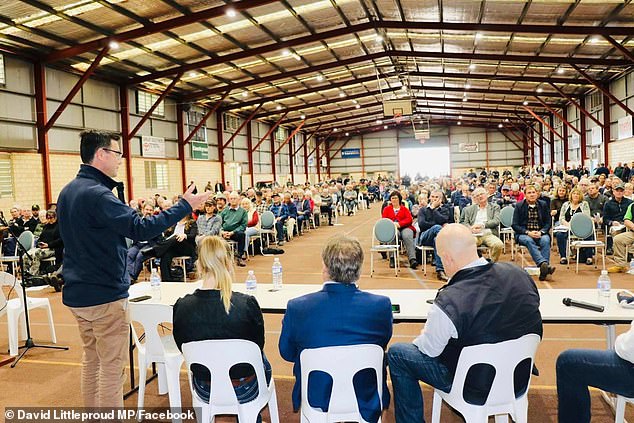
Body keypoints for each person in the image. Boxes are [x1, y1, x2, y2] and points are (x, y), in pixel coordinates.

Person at [57, 130, 208, 408]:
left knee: (92, 360)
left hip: (78, 291)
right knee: (112, 367)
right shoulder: (98, 194)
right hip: (103, 294)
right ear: (101, 154)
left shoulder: (68, 191)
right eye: (116, 154)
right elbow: (141, 227)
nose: (119, 160)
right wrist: (184, 206)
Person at [387, 224, 543, 423]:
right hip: (518, 378)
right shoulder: (519, 274)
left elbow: (428, 350)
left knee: (399, 353)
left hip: (473, 385)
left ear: (448, 258)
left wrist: (427, 331)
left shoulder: (448, 300)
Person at [279, 235, 393, 423]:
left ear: (325, 267)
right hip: (365, 393)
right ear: (359, 269)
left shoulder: (298, 307)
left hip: (316, 394)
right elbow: (382, 343)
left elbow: (287, 352)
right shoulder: (381, 306)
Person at [172, 236, 270, 422]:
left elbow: (181, 346)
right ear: (228, 263)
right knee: (262, 359)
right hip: (244, 386)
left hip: (204, 386)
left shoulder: (181, 306)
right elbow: (258, 346)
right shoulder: (246, 304)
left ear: (199, 265)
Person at [512, 185, 555, 281]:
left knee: (546, 240)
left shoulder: (543, 205)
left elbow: (548, 222)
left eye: (533, 192)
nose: (532, 195)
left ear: (537, 194)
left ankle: (543, 269)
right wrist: (528, 232)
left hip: (540, 232)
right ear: (525, 195)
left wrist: (542, 232)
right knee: (528, 240)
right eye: (529, 193)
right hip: (524, 234)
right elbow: (514, 225)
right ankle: (544, 265)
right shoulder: (519, 206)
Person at [459, 187, 503, 262]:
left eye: (481, 194)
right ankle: (473, 264)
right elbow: (464, 222)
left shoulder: (495, 207)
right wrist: (470, 229)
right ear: (475, 199)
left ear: (486, 195)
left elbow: (496, 221)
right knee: (467, 244)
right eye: (477, 195)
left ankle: (492, 264)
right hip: (474, 234)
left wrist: (482, 225)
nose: (480, 196)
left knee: (498, 245)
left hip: (488, 233)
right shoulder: (469, 209)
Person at [417, 189, 452, 280]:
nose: (434, 199)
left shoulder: (445, 209)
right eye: (432, 197)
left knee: (437, 240)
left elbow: (444, 220)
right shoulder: (423, 210)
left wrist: (434, 210)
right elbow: (422, 225)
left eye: (437, 197)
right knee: (437, 227)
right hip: (425, 237)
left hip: (438, 238)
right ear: (429, 197)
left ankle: (440, 271)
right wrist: (436, 223)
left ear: (441, 199)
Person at [555, 188, 593, 265]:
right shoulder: (566, 204)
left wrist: (576, 225)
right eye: (574, 193)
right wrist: (567, 224)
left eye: (578, 194)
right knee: (559, 234)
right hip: (567, 226)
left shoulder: (584, 204)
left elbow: (586, 217)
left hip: (580, 226)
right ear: (571, 195)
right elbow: (561, 218)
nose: (576, 195)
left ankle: (589, 257)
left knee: (589, 233)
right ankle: (563, 257)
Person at [382, 190, 418, 269]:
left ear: (399, 199)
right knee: (393, 234)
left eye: (396, 198)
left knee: (407, 235)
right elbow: (384, 220)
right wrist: (393, 224)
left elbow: (409, 219)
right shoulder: (386, 209)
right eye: (392, 198)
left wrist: (399, 224)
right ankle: (392, 258)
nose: (394, 200)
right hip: (392, 228)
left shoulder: (404, 209)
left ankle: (412, 259)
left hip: (405, 227)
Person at [220, 192, 248, 266]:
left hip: (235, 233)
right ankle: (220, 259)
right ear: (229, 200)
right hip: (223, 233)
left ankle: (239, 257)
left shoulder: (243, 211)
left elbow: (243, 225)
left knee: (242, 234)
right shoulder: (225, 211)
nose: (232, 200)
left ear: (238, 200)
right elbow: (218, 222)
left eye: (234, 198)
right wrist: (222, 231)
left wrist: (233, 232)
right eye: (231, 199)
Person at [608, 201, 634, 273]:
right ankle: (620, 265)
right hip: (633, 233)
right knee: (618, 239)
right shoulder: (632, 206)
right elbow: (626, 220)